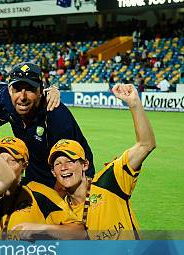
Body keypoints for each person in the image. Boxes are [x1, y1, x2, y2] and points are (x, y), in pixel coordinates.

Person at [49, 84, 156, 240]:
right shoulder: (59, 212)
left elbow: (146, 144)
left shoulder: (111, 180)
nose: (64, 167)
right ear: (53, 172)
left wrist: (134, 104)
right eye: (58, 164)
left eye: (70, 161)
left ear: (85, 165)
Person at [0, 62, 94, 187]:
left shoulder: (56, 116)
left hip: (62, 183)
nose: (22, 96)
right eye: (17, 89)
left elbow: (67, 170)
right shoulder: (6, 99)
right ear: (9, 90)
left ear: (41, 90)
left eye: (30, 89)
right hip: (33, 180)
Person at [0, 136, 85, 240]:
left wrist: (43, 229)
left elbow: (79, 232)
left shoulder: (40, 193)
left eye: (11, 160)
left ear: (24, 165)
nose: (4, 166)